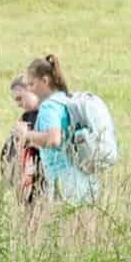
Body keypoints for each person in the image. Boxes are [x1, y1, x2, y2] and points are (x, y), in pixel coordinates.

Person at [17, 54, 100, 208]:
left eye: (32, 84)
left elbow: (54, 139)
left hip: (64, 183)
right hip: (84, 179)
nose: (29, 89)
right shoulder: (64, 99)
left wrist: (26, 134)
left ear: (45, 81)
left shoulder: (49, 106)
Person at [2, 75, 45, 207]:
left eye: (20, 98)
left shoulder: (48, 113)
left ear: (31, 90)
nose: (19, 104)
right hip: (29, 183)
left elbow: (53, 144)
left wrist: (28, 138)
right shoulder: (26, 116)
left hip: (47, 181)